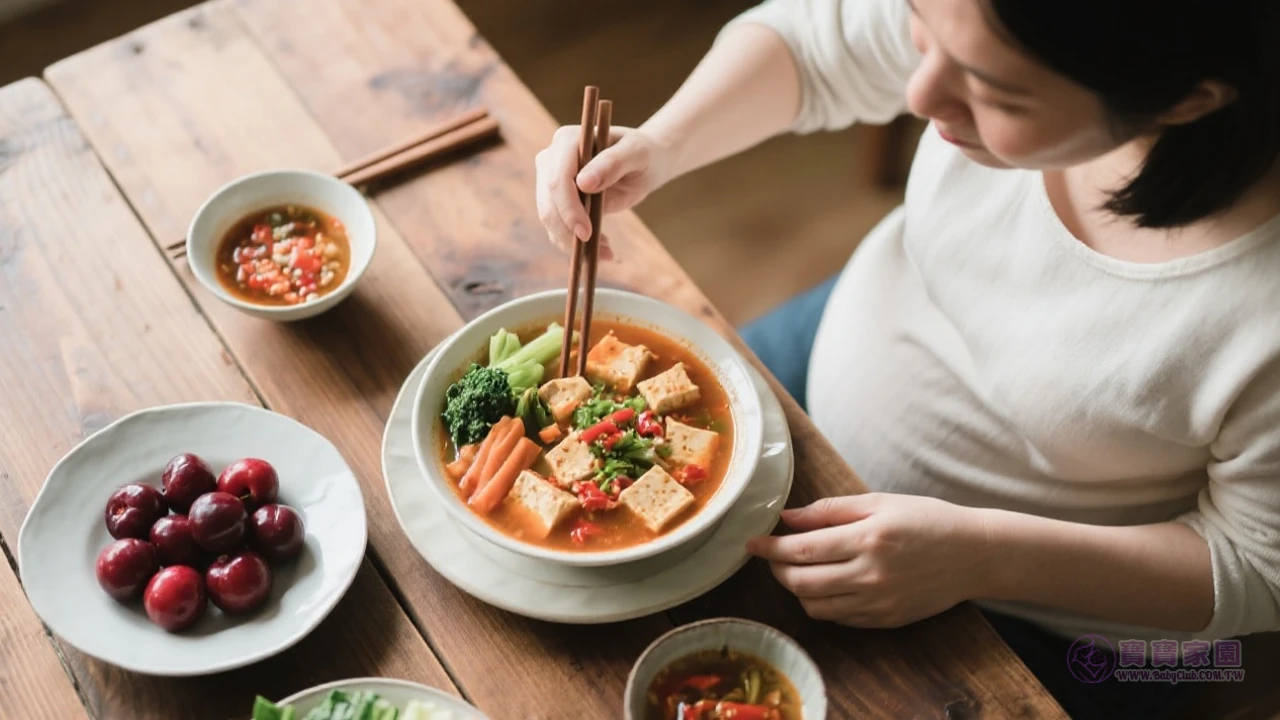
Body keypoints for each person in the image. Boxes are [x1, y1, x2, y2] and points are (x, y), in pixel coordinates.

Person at [533, 1, 1280, 717]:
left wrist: (983, 556)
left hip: (1044, 617)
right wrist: (661, 143)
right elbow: (817, 45)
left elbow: (1257, 568)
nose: (920, 97)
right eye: (923, 29)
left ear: (1187, 100)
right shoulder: (994, 21)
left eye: (996, 93)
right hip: (823, 360)